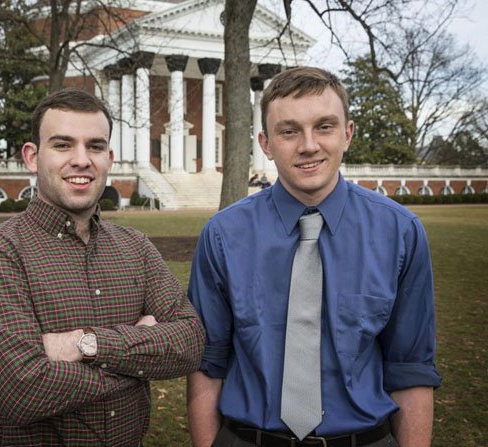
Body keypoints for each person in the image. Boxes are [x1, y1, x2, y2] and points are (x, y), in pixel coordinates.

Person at [186, 67, 441, 447]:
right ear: (266, 143)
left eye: (324, 126)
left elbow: (411, 369)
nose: (308, 145)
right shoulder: (223, 235)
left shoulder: (399, 232)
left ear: (347, 134)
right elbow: (208, 364)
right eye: (289, 131)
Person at [0, 89, 205, 446]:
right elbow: (21, 389)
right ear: (32, 157)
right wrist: (138, 368)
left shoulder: (135, 247)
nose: (81, 160)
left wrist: (86, 344)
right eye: (63, 145)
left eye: (94, 146)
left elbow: (191, 341)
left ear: (108, 157)